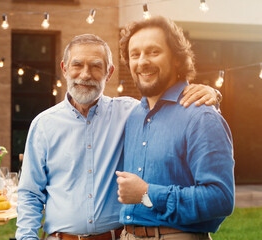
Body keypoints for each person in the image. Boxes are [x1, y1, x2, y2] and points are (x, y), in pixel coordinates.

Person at [16, 34, 220, 240]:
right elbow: (30, 194)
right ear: (65, 69)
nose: (85, 75)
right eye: (77, 65)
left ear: (109, 72)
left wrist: (210, 93)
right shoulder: (43, 124)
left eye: (96, 66)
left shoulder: (132, 113)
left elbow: (173, 112)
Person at [116, 16, 234, 240]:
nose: (142, 62)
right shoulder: (132, 116)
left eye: (153, 52)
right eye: (135, 54)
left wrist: (147, 194)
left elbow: (221, 199)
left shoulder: (201, 116)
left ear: (177, 60)